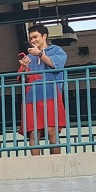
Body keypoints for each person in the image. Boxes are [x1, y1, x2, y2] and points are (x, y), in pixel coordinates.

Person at [18, 24, 68, 155]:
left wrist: (40, 54)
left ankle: (56, 165)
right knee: (34, 133)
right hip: (31, 97)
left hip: (51, 95)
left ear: (44, 36)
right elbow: (23, 79)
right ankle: (36, 166)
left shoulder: (57, 50)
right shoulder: (29, 56)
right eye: (31, 38)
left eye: (35, 37)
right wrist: (23, 68)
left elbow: (56, 65)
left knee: (53, 131)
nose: (33, 41)